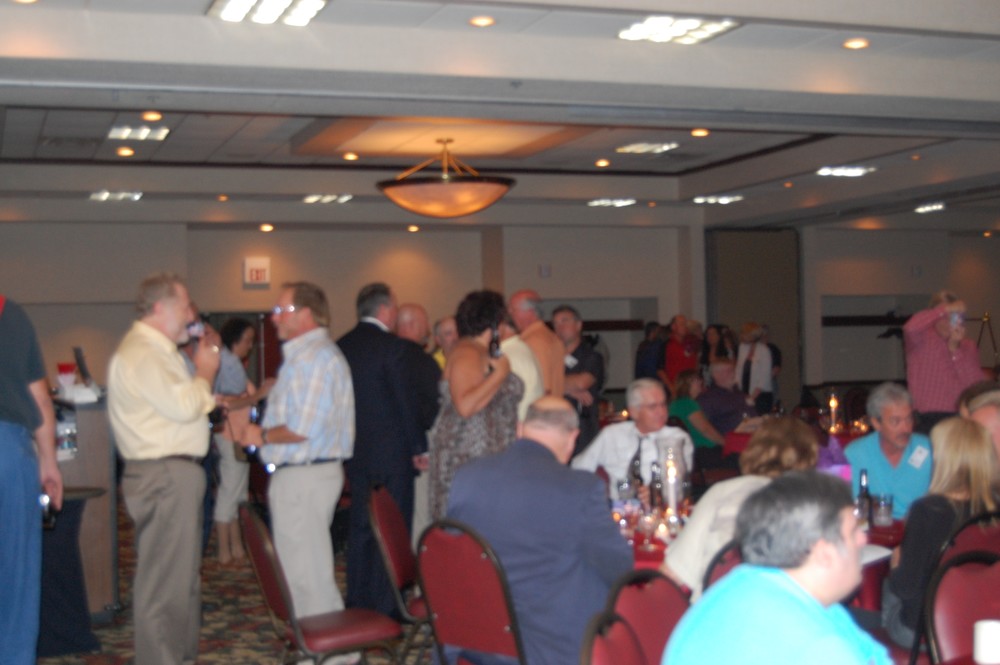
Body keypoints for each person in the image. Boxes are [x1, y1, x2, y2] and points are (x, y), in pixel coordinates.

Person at [447, 397, 633, 665]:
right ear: (573, 438)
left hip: (474, 636)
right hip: (551, 647)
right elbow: (619, 569)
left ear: (520, 428)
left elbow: (452, 556)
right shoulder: (580, 488)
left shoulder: (467, 476)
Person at [107, 272, 220, 665]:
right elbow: (185, 406)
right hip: (165, 476)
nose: (192, 315)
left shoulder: (158, 351)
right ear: (160, 308)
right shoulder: (144, 352)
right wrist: (205, 371)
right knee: (164, 588)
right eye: (186, 306)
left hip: (171, 475)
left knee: (181, 583)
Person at [664, 471, 891, 665]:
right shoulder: (817, 645)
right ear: (824, 552)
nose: (863, 539)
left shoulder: (742, 584)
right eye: (853, 532)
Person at [242, 282, 354, 623]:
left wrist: (261, 435)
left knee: (307, 578)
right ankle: (325, 645)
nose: (274, 318)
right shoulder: (309, 356)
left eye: (281, 310)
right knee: (305, 574)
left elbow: (303, 427)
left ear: (306, 314)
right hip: (306, 476)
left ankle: (330, 647)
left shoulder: (313, 358)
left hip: (305, 476)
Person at [336, 283, 430, 616]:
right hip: (393, 453)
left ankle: (359, 598)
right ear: (386, 310)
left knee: (361, 526)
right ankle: (388, 604)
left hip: (356, 452)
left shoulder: (341, 346)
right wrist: (419, 446)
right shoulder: (393, 347)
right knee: (393, 527)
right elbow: (405, 401)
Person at [663, 417, 819, 599]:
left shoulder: (722, 492)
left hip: (717, 609)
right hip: (782, 610)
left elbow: (672, 574)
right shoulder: (814, 507)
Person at [881, 417, 998, 647]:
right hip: (982, 624)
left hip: (928, 632)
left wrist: (895, 566)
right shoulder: (994, 507)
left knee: (886, 586)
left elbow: (906, 587)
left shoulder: (928, 511)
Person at [1, 295, 63, 664]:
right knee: (15, 585)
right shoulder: (10, 314)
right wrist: (49, 463)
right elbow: (40, 399)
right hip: (8, 455)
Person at [428, 290, 522, 519]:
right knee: (470, 527)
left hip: (483, 456)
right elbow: (465, 406)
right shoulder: (467, 352)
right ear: (494, 324)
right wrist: (500, 375)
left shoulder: (477, 351)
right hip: (469, 456)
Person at [213, 317, 272, 565]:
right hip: (229, 435)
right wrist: (258, 395)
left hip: (241, 436)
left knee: (238, 492)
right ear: (234, 340)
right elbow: (224, 404)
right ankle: (224, 548)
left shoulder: (234, 366)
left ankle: (236, 545)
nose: (250, 346)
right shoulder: (224, 367)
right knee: (230, 491)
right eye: (247, 340)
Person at [572, 378, 693, 499]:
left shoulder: (677, 439)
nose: (661, 412)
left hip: (662, 504)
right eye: (653, 407)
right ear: (634, 411)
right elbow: (579, 468)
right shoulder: (612, 434)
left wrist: (655, 493)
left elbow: (678, 483)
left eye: (663, 404)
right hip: (618, 506)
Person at [394, 303, 443, 553]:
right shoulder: (424, 363)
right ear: (412, 325)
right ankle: (421, 566)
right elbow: (434, 408)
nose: (428, 332)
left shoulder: (387, 357)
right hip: (421, 445)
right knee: (422, 511)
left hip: (391, 449)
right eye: (425, 325)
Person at [844, 383, 932, 519]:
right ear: (876, 423)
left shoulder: (928, 449)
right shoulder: (854, 455)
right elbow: (843, 506)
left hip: (920, 527)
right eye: (895, 421)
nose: (905, 428)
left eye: (909, 419)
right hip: (872, 528)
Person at [903, 290, 983, 433]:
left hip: (959, 417)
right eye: (943, 316)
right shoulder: (920, 339)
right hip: (927, 417)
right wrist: (945, 309)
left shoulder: (968, 346)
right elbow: (910, 327)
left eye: (952, 317)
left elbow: (974, 385)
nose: (947, 322)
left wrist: (955, 350)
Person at [552, 304, 604, 456]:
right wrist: (569, 390)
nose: (560, 327)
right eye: (556, 324)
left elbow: (582, 383)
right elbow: (539, 384)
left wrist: (555, 385)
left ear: (578, 325)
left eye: (564, 321)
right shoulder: (550, 357)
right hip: (555, 428)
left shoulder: (591, 357)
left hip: (582, 430)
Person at [508, 289, 564, 398]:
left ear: (529, 311)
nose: (509, 313)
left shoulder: (534, 341)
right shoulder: (550, 336)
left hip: (538, 406)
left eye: (512, 309)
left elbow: (543, 386)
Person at [669, 369, 728, 471]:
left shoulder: (675, 404)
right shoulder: (687, 403)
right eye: (696, 380)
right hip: (703, 452)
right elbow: (706, 430)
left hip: (693, 453)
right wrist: (726, 444)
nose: (700, 382)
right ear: (687, 384)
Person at [498, 317, 543, 422]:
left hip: (518, 424)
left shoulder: (508, 355)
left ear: (502, 327)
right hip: (529, 422)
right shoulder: (521, 348)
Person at [697, 360, 757, 435]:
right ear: (716, 375)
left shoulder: (739, 394)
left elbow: (746, 415)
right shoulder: (709, 398)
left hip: (752, 433)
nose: (733, 374)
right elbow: (704, 427)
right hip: (730, 438)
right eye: (728, 371)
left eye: (733, 370)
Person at [735, 321, 775, 415]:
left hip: (761, 395)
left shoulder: (764, 351)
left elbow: (764, 378)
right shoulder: (742, 348)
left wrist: (752, 397)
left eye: (743, 333)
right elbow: (738, 370)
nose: (741, 335)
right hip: (744, 393)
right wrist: (738, 391)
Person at [658, 313, 698, 397]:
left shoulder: (690, 343)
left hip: (691, 388)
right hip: (675, 388)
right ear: (673, 327)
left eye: (685, 324)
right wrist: (671, 388)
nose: (685, 327)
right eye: (682, 324)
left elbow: (695, 364)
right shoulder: (666, 345)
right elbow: (660, 369)